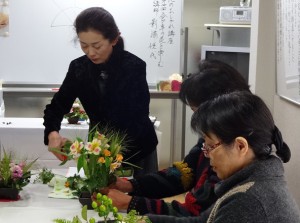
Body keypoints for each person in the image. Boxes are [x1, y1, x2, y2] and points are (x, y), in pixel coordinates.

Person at [102, 60, 251, 216]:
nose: (196, 117)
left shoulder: (234, 152)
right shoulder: (215, 136)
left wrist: (132, 203)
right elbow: (182, 174)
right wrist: (129, 185)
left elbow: (197, 213)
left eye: (197, 110)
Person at [146, 91, 300, 223]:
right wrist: (146, 220)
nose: (207, 155)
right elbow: (203, 221)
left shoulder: (248, 201)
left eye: (210, 146)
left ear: (240, 146)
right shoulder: (250, 180)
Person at [43, 7, 158, 177]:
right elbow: (58, 105)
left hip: (137, 150)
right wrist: (52, 133)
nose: (90, 52)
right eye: (84, 45)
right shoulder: (79, 68)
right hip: (100, 150)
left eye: (96, 46)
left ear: (114, 39)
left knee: (138, 200)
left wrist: (109, 154)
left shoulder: (133, 66)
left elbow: (136, 116)